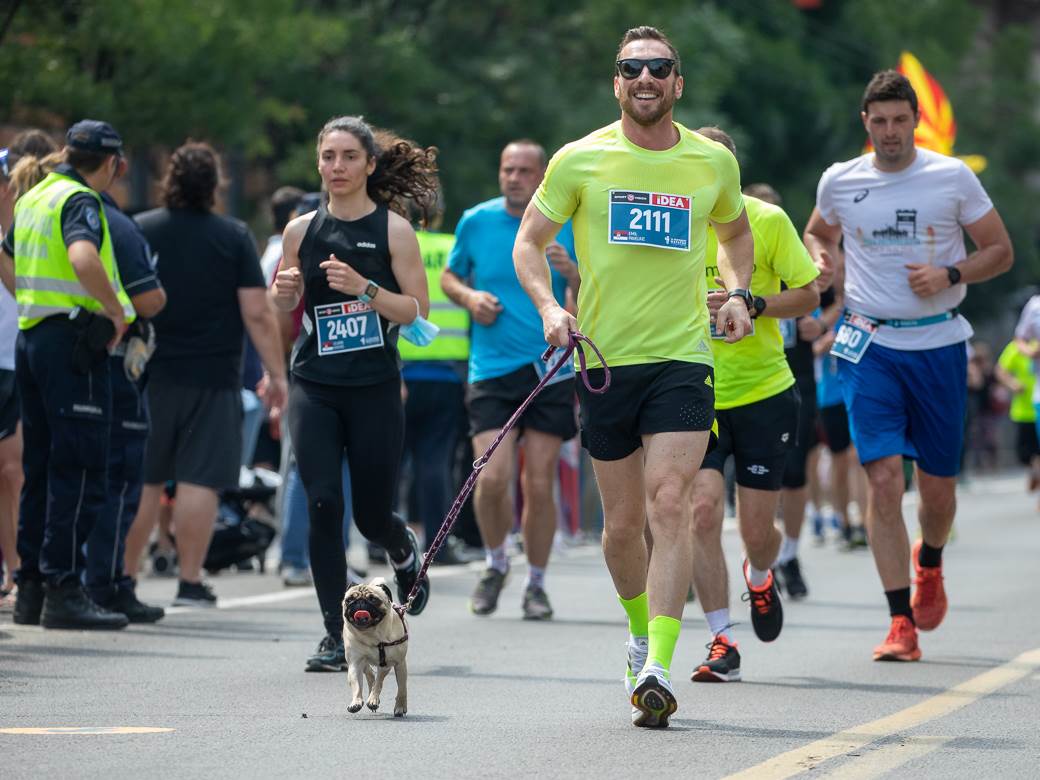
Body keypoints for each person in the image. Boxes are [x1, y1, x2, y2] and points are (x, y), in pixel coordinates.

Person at [514, 26, 754, 727]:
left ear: (678, 83)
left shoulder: (712, 162)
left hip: (683, 358)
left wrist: (737, 293)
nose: (645, 77)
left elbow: (736, 234)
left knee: (671, 501)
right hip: (604, 361)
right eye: (631, 68)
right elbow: (530, 243)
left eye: (659, 68)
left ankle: (659, 664)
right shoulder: (579, 160)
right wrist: (551, 308)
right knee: (620, 527)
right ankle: (637, 635)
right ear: (615, 83)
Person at [804, 70, 1013, 662]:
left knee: (939, 492)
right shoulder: (841, 181)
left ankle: (931, 561)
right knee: (882, 478)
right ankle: (900, 622)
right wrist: (822, 259)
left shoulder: (951, 177)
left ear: (915, 122)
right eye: (879, 121)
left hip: (939, 344)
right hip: (868, 344)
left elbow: (999, 251)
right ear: (865, 123)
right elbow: (817, 232)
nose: (890, 132)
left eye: (900, 121)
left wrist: (951, 274)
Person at [272, 116, 435, 672]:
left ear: (368, 164)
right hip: (314, 385)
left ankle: (403, 548)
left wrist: (365, 289)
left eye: (347, 157)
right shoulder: (300, 231)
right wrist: (284, 292)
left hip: (373, 388)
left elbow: (418, 313)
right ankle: (332, 633)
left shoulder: (393, 230)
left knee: (369, 515)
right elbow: (283, 307)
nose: (336, 167)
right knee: (322, 504)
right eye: (327, 157)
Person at [686, 130, 819, 684]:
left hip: (764, 391)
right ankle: (722, 639)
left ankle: (760, 576)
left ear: (731, 171)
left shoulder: (765, 220)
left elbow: (809, 295)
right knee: (701, 511)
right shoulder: (678, 222)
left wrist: (753, 302)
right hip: (695, 390)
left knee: (758, 532)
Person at [132, 142, 288, 608]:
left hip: (149, 372)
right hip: (213, 375)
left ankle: (121, 581)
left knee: (147, 479)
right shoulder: (233, 235)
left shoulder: (142, 230)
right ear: (215, 185)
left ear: (169, 180)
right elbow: (257, 314)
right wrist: (276, 374)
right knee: (199, 480)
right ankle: (190, 580)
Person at [2, 120, 136, 629]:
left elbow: (5, 254)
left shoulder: (35, 195)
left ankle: (33, 587)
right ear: (112, 164)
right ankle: (64, 587)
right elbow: (82, 256)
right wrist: (113, 311)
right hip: (73, 347)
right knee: (79, 468)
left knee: (40, 467)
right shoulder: (80, 200)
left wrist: (35, 301)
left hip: (34, 339)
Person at [442, 140, 578, 620]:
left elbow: (594, 295)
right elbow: (449, 277)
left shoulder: (566, 223)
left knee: (539, 483)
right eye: (507, 169)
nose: (513, 177)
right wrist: (469, 297)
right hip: (492, 369)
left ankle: (536, 584)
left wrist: (573, 274)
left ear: (542, 175)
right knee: (492, 477)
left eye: (524, 170)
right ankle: (496, 562)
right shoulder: (476, 220)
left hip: (551, 368)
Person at [399, 209, 473, 566]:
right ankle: (438, 544)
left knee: (391, 462)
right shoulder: (453, 247)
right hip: (447, 372)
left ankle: (380, 540)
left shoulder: (393, 244)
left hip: (398, 369)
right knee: (435, 462)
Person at [994, 334, 1040, 493]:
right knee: (1025, 455)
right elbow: (1001, 370)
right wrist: (1012, 384)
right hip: (1023, 410)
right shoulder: (1015, 348)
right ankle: (1035, 470)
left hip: (1038, 407)